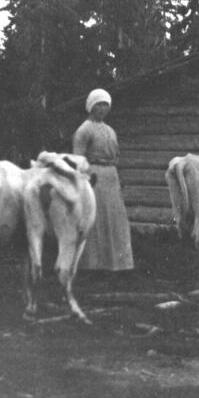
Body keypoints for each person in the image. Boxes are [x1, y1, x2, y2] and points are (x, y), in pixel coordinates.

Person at [72, 88, 134, 271]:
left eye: (106, 105)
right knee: (95, 218)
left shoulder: (110, 130)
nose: (103, 109)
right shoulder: (84, 130)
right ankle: (93, 265)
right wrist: (83, 180)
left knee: (115, 219)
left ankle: (118, 264)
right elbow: (78, 158)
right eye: (99, 105)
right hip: (94, 176)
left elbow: (116, 155)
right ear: (91, 106)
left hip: (111, 177)